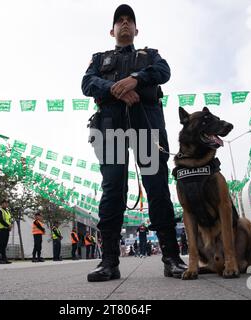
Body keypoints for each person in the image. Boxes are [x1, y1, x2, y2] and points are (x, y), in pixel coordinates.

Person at [82, 4, 187, 282]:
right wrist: (116, 90)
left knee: (157, 187)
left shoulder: (150, 55)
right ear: (112, 30)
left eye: (129, 20)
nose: (125, 24)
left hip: (147, 126)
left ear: (136, 29)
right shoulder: (99, 58)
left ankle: (172, 258)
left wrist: (135, 80)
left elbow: (163, 72)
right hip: (110, 127)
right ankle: (109, 262)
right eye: (120, 21)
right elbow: (87, 83)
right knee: (113, 189)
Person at [0, 199, 12, 264]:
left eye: (7, 203)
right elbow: (1, 220)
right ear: (2, 203)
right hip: (1, 229)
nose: (6, 204)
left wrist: (10, 225)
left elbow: (9, 219)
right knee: (0, 244)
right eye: (5, 203)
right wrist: (8, 225)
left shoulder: (7, 211)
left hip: (6, 229)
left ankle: (4, 259)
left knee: (4, 244)